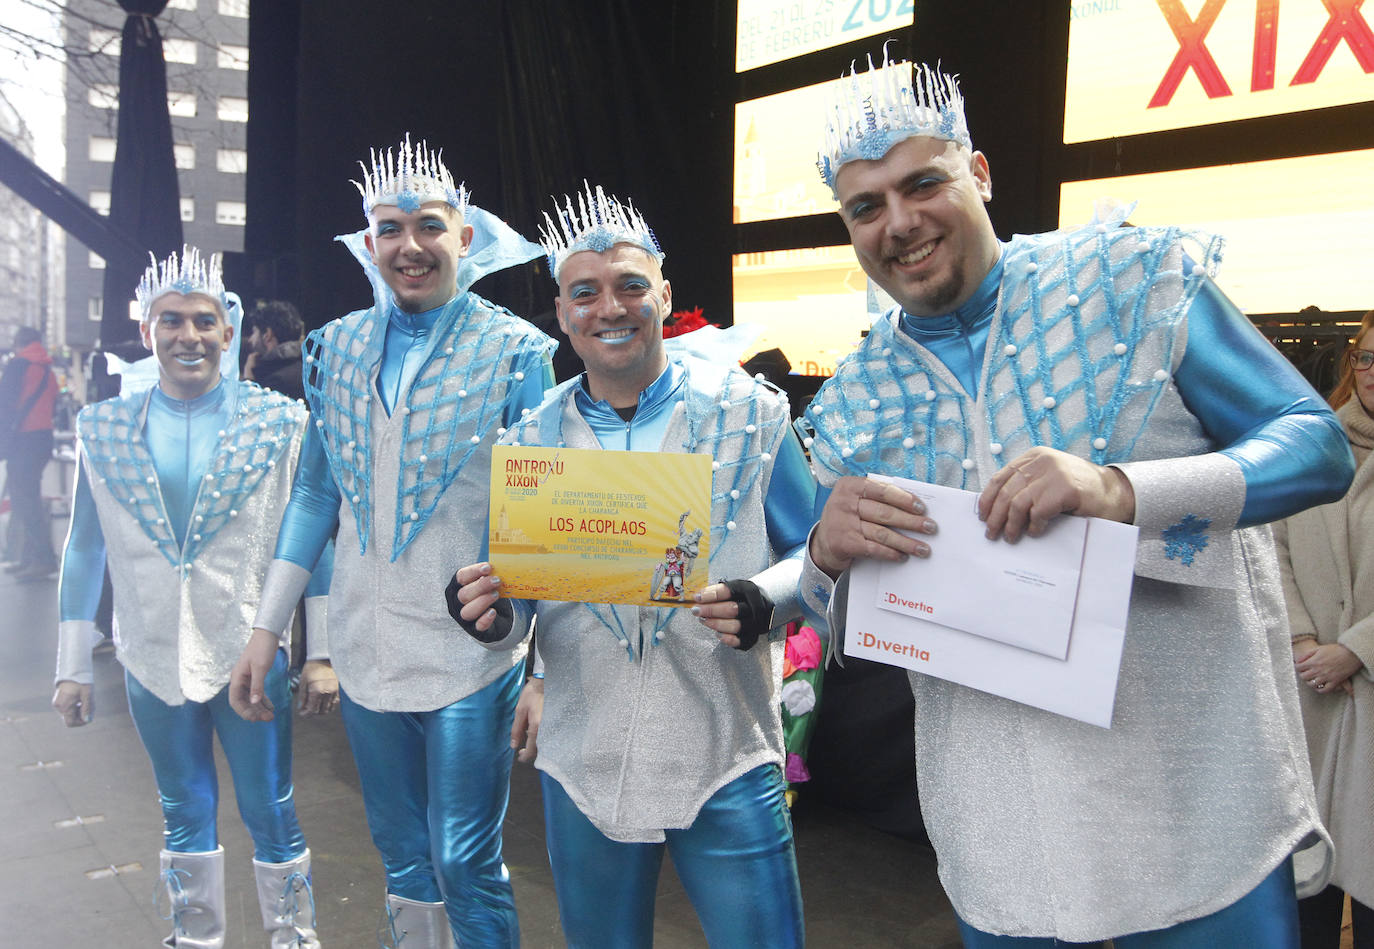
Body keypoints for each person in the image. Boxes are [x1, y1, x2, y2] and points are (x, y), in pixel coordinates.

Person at [800, 57, 1356, 946]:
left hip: (1194, 818)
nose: (899, 222)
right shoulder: (860, 397)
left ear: (979, 174)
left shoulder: (1129, 284)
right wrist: (825, 553)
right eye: (866, 206)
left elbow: (1317, 446)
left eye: (923, 184)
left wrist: (1121, 488)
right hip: (1003, 849)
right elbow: (832, 609)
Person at [447, 184, 815, 948]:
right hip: (586, 756)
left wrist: (764, 598)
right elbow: (517, 603)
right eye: (585, 293)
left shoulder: (750, 414)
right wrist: (489, 611)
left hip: (726, 748)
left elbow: (817, 555)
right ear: (562, 312)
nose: (608, 307)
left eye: (630, 286)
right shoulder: (528, 442)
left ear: (665, 295)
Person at [230, 135, 555, 948]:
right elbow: (314, 491)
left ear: (465, 237)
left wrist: (545, 664)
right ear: (369, 242)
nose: (409, 245)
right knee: (403, 856)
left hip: (470, 652)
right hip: (369, 645)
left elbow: (544, 513)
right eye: (389, 227)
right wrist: (270, 629)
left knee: (463, 857)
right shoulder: (331, 350)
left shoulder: (517, 352)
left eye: (429, 226)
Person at [51, 247, 334, 949]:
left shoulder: (279, 421)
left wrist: (322, 651)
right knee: (182, 810)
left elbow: (315, 543)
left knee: (270, 807)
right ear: (147, 331)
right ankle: (195, 939)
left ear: (229, 326)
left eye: (204, 320)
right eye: (171, 320)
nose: (189, 336)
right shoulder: (106, 428)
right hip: (149, 651)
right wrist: (73, 663)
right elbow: (85, 545)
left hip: (249, 648)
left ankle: (293, 939)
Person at [1275, 308, 1374, 949]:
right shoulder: (1314, 447)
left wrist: (1357, 650)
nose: (1372, 373)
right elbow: (1269, 547)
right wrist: (1302, 640)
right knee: (1303, 896)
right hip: (1307, 700)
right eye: (1366, 358)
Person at [1, 325, 59, 581]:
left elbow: (5, 406)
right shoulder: (47, 369)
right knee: (27, 498)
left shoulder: (18, 365)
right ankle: (29, 558)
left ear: (19, 342)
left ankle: (43, 558)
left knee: (26, 502)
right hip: (43, 438)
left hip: (23, 439)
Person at [243, 301, 307, 401]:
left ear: (267, 334)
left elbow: (254, 412)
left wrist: (248, 379)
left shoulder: (276, 381)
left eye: (254, 331)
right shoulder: (305, 368)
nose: (250, 339)